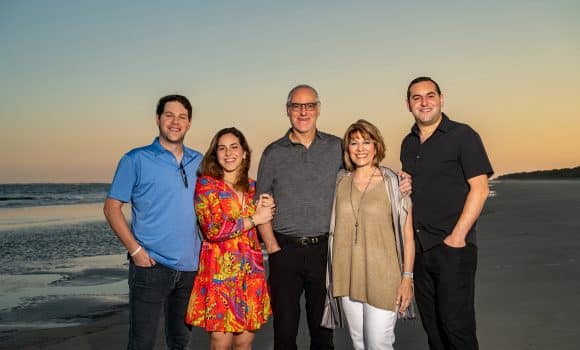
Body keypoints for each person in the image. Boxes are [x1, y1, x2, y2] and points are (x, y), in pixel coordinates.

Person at [256, 84, 412, 350]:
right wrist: (272, 246)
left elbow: (366, 170)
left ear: (318, 109)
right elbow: (260, 203)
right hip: (285, 251)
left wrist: (400, 179)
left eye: (309, 105)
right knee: (284, 331)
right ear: (288, 110)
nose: (303, 112)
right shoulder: (273, 153)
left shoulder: (335, 147)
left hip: (324, 253)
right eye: (296, 106)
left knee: (322, 332)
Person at [400, 77, 493, 350]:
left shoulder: (463, 135)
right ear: (408, 104)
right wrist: (404, 185)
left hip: (453, 249)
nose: (424, 102)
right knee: (434, 330)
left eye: (430, 96)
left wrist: (457, 237)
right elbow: (416, 188)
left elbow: (480, 189)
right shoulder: (408, 143)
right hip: (420, 249)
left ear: (441, 99)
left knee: (457, 328)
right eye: (417, 98)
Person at [104, 94, 203, 350]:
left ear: (189, 123)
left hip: (191, 268)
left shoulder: (200, 161)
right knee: (141, 343)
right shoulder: (135, 159)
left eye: (182, 117)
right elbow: (112, 208)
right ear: (158, 119)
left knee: (180, 342)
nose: (175, 122)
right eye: (169, 115)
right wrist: (136, 251)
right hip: (150, 266)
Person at [185, 127, 273, 350]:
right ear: (215, 154)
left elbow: (260, 232)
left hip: (250, 273)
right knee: (220, 340)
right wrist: (255, 218)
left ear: (244, 152)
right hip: (219, 273)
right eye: (222, 148)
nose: (228, 153)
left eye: (234, 147)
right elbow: (214, 230)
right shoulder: (206, 185)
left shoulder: (254, 187)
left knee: (245, 340)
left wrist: (270, 211)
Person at [330, 119, 415, 350]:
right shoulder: (340, 181)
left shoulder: (393, 183)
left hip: (384, 277)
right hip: (347, 275)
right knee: (359, 344)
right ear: (347, 148)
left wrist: (407, 277)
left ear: (376, 146)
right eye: (354, 143)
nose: (360, 148)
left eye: (366, 142)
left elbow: (408, 235)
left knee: (378, 345)